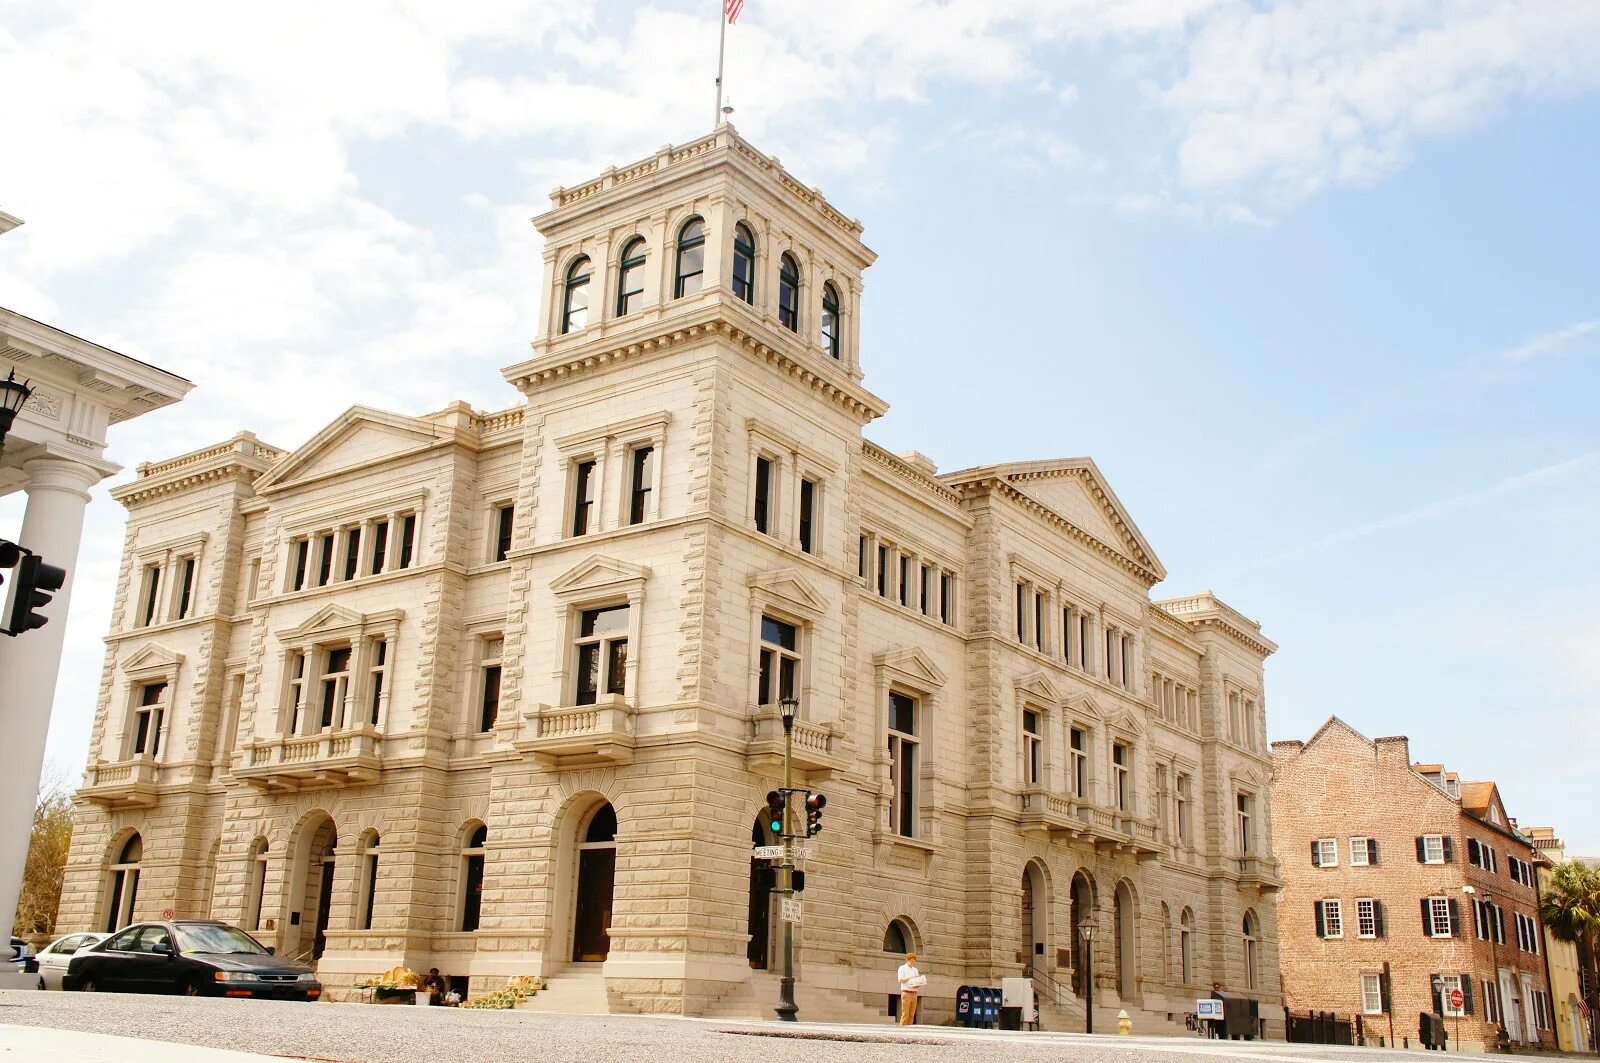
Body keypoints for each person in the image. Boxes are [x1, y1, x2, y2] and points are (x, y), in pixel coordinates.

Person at [897, 952, 924, 1026]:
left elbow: (917, 981)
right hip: (906, 992)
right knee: (905, 1013)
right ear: (907, 960)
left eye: (914, 961)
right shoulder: (902, 968)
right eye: (911, 961)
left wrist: (919, 983)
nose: (913, 963)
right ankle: (902, 1029)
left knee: (912, 1014)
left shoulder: (915, 970)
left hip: (914, 992)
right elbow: (900, 980)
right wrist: (910, 978)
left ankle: (909, 1029)